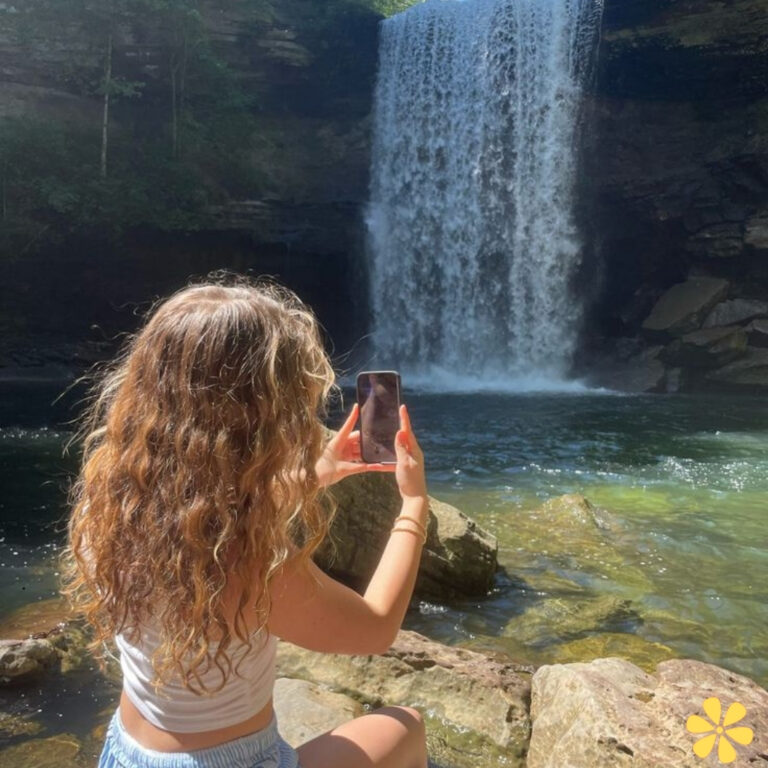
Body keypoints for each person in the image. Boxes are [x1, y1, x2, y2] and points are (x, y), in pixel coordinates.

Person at [61, 275, 430, 768]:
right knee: (406, 725)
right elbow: (376, 629)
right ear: (265, 416)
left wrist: (317, 473)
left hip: (126, 753)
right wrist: (414, 505)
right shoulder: (250, 563)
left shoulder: (108, 501)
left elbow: (207, 511)